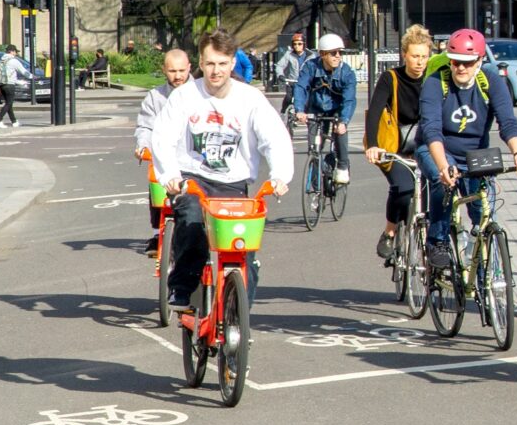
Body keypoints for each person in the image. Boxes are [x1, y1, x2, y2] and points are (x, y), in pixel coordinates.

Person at [148, 30, 292, 310]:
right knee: (191, 224)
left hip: (232, 184)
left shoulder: (250, 99)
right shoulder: (185, 96)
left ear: (232, 63)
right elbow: (163, 137)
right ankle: (181, 287)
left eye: (223, 63)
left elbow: (274, 138)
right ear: (200, 63)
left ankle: (238, 318)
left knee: (243, 249)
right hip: (193, 179)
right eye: (210, 63)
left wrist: (279, 176)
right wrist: (170, 176)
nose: (216, 71)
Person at [417, 28, 517, 271]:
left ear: (479, 60)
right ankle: (437, 241)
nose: (460, 68)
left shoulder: (490, 80)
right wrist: (443, 165)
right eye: (456, 62)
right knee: (442, 180)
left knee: (483, 214)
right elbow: (431, 129)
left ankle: (486, 281)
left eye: (468, 63)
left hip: (475, 154)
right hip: (436, 148)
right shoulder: (436, 82)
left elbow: (508, 122)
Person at [365, 24, 432, 265]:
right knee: (403, 189)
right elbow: (374, 112)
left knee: (434, 192)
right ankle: (390, 232)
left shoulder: (432, 79)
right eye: (415, 56)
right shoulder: (390, 78)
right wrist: (373, 144)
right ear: (404, 54)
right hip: (395, 148)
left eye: (424, 57)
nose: (419, 62)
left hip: (426, 147)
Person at [133, 47, 194, 254]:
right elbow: (146, 126)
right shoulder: (155, 96)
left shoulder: (201, 92)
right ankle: (158, 234)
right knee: (156, 189)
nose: (177, 76)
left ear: (189, 68)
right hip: (165, 156)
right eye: (172, 71)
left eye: (181, 71)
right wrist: (143, 145)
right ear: (164, 70)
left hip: (193, 158)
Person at [292, 32, 358, 187]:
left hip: (337, 109)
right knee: (314, 148)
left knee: (340, 130)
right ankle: (315, 185)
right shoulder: (310, 67)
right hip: (316, 108)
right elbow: (301, 87)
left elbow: (349, 99)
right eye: (333, 53)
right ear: (322, 54)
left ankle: (342, 166)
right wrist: (299, 110)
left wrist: (344, 120)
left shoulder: (346, 72)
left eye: (340, 53)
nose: (337, 56)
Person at [0, 44, 30, 127]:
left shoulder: (0, 61)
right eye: (15, 52)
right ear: (11, 51)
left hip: (2, 84)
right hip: (10, 85)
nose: (16, 54)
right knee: (9, 103)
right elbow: (23, 71)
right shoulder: (13, 61)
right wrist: (32, 76)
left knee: (8, 103)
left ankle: (14, 121)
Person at [275, 33, 308, 107]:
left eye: (299, 44)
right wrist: (280, 75)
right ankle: (283, 112)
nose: (297, 46)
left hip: (306, 83)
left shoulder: (311, 55)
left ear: (304, 44)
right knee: (288, 98)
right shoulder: (289, 54)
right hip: (293, 82)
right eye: (295, 44)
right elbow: (280, 65)